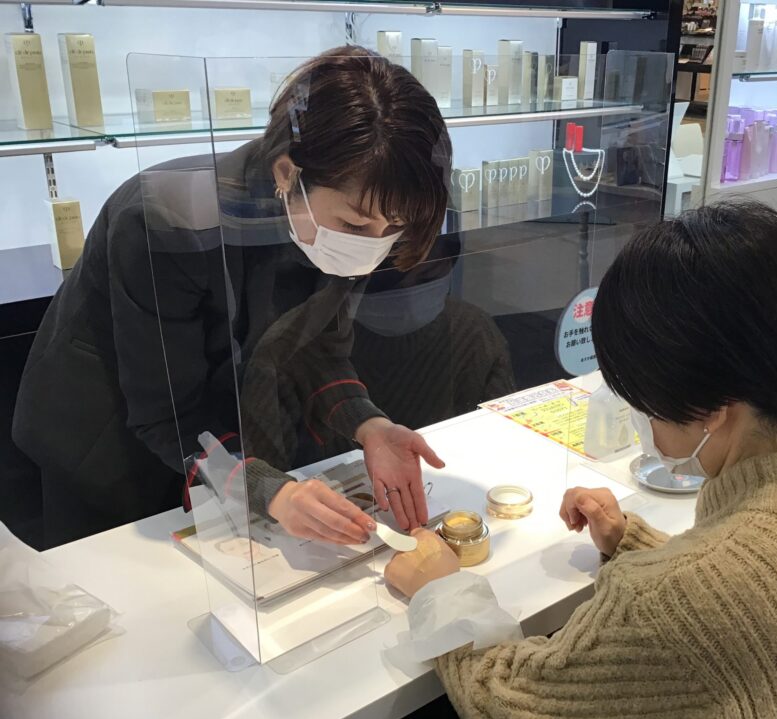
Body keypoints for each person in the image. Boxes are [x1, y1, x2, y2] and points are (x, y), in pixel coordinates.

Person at [383, 201, 777, 719]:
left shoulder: (674, 601)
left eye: (643, 400)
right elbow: (757, 611)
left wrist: (442, 593)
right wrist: (632, 542)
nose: (641, 418)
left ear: (712, 409)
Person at [13, 47, 455, 548]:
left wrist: (369, 425)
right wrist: (270, 491)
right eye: (355, 225)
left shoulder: (334, 218)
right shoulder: (165, 221)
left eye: (393, 228)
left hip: (215, 444)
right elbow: (168, 412)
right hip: (104, 445)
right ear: (287, 174)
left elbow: (317, 349)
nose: (373, 243)